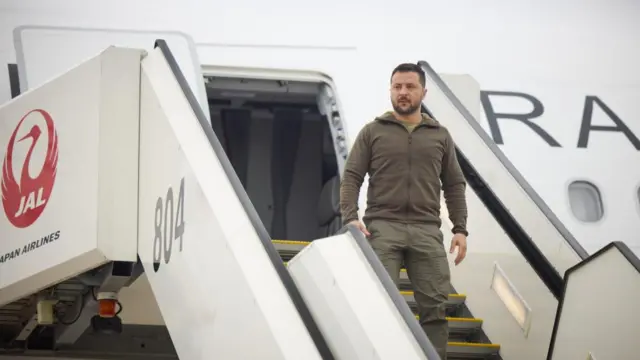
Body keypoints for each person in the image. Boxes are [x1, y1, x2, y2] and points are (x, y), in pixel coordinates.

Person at [339, 63, 468, 360]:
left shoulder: (440, 135)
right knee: (379, 303)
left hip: (426, 230)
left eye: (410, 86)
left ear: (424, 91)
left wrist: (460, 229)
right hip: (382, 227)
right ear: (391, 90)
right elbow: (352, 177)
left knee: (435, 309)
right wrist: (350, 217)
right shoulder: (372, 131)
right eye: (397, 86)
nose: (403, 92)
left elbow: (454, 184)